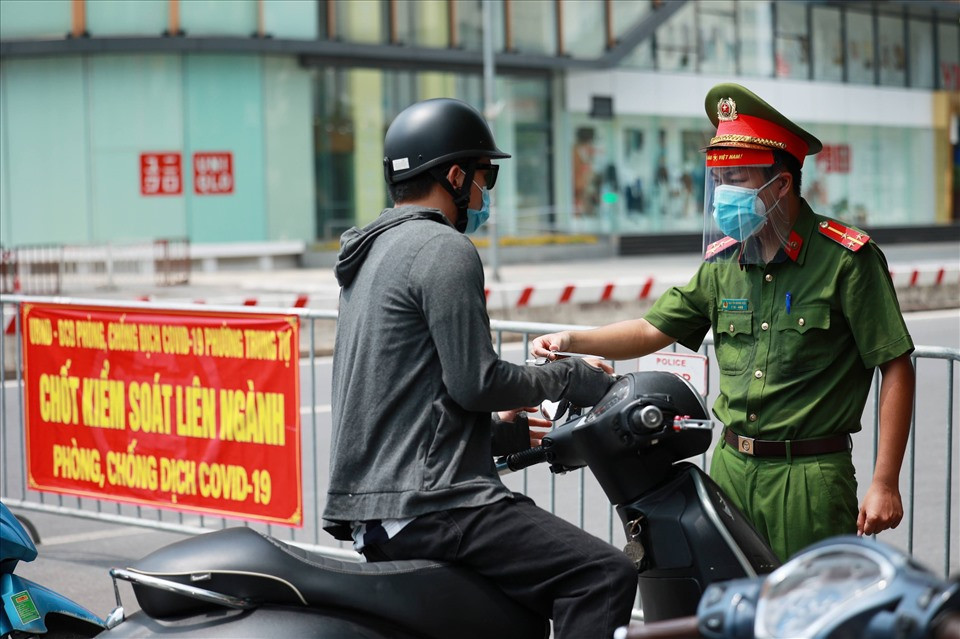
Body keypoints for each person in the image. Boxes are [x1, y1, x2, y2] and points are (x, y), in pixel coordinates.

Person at [532, 83, 915, 562]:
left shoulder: (845, 260)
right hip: (731, 467)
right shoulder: (723, 264)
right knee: (730, 612)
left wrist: (885, 481)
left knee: (804, 618)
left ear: (781, 185)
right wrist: (570, 336)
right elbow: (653, 329)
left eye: (739, 178)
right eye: (722, 178)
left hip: (809, 476)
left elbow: (896, 364)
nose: (724, 193)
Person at [323, 97, 638, 638]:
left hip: (377, 510)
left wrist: (498, 435)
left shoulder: (369, 256)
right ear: (453, 175)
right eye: (484, 176)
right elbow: (476, 382)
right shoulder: (442, 247)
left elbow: (404, 404)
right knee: (601, 575)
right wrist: (572, 377)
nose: (484, 192)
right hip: (436, 505)